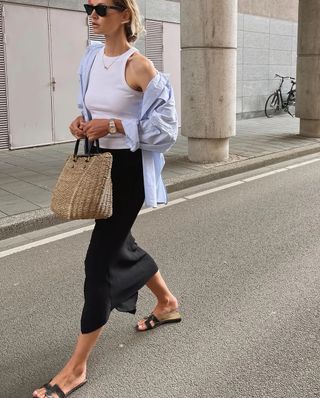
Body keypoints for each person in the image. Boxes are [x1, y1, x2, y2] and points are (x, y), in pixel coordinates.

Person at [33, 1, 181, 397]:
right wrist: (81, 122)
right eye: (88, 7)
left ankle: (76, 368)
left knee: (98, 262)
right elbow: (90, 105)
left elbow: (167, 131)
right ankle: (167, 302)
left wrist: (116, 124)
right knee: (121, 243)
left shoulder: (140, 67)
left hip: (127, 174)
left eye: (101, 8)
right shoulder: (92, 57)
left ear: (125, 14)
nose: (92, 14)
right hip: (99, 162)